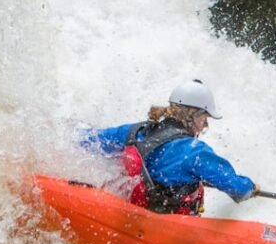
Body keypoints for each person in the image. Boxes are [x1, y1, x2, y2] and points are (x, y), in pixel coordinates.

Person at [83, 80, 259, 215]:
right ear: (191, 114)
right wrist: (251, 188)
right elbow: (235, 186)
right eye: (204, 117)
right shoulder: (194, 152)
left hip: (128, 210)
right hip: (163, 227)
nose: (205, 124)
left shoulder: (134, 132)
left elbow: (90, 141)